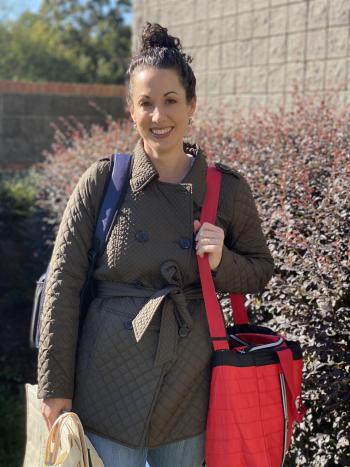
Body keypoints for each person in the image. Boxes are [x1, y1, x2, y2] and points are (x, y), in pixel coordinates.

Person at [37, 22, 274, 467]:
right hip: (106, 383)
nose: (158, 116)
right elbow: (62, 288)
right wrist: (55, 389)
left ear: (192, 107)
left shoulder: (225, 190)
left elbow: (260, 269)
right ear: (131, 110)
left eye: (170, 102)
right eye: (146, 103)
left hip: (188, 385)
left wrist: (222, 261)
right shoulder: (103, 181)